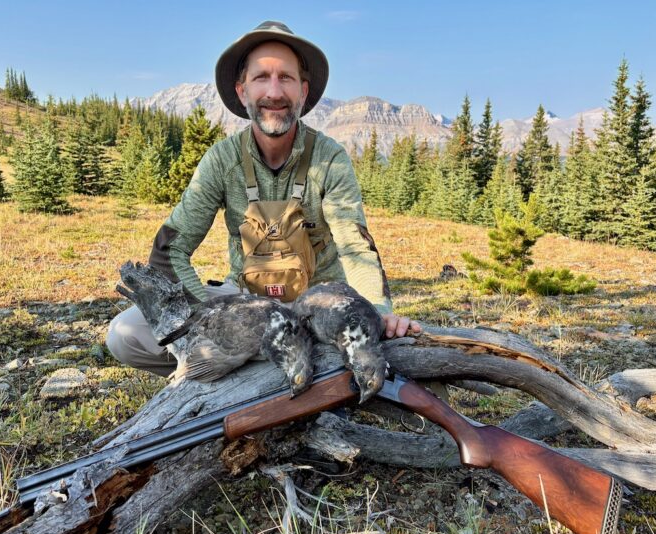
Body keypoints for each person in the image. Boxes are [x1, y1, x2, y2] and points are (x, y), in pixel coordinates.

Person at [106, 21, 421, 374]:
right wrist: (207, 318)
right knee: (125, 335)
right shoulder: (222, 160)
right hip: (244, 307)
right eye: (261, 78)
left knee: (355, 337)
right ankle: (262, 367)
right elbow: (170, 249)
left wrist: (378, 312)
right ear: (242, 91)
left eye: (285, 77)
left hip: (318, 310)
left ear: (303, 91)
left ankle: (249, 370)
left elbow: (356, 247)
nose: (274, 91)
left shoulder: (330, 158)